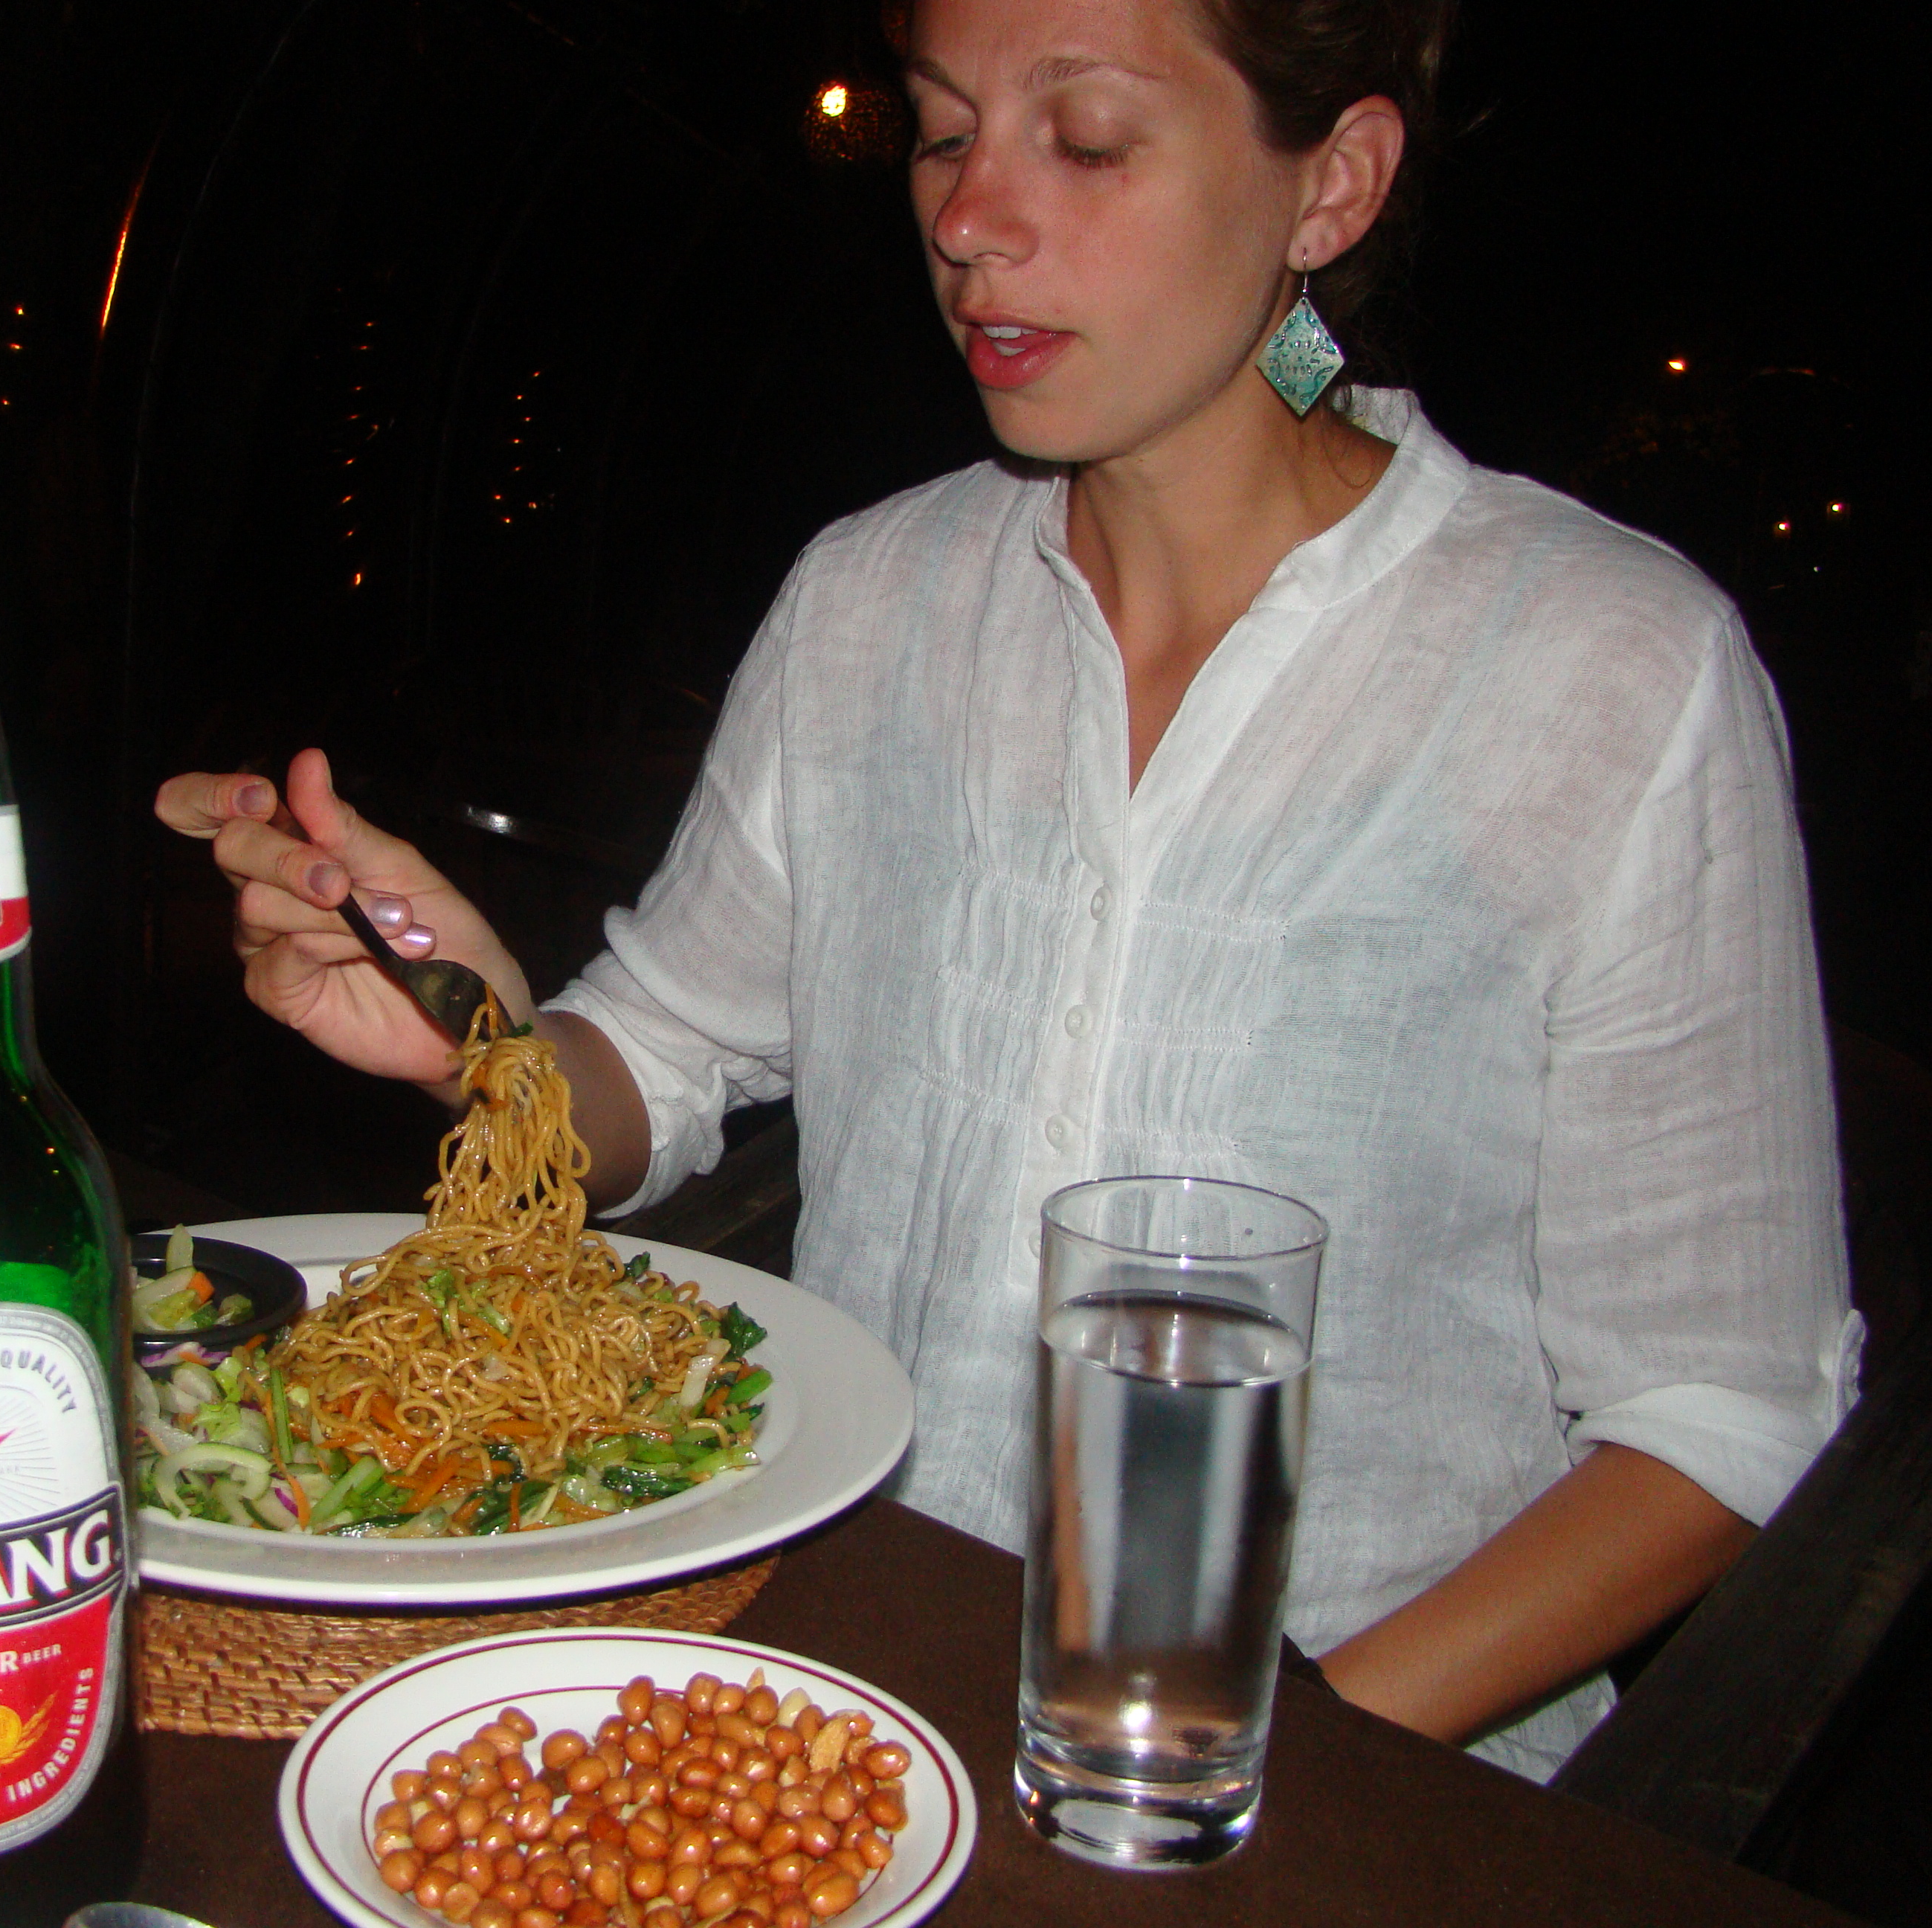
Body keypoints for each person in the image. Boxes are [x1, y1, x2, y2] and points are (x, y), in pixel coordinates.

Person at [155, 0, 1855, 1778]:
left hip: (1372, 1786)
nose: (969, 219)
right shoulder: (871, 598)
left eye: (1089, 140)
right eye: (946, 130)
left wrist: (1253, 1764)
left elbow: (1720, 1414)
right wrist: (465, 1030)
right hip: (838, 1713)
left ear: (1333, 184)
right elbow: (665, 1051)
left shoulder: (1608, 668)